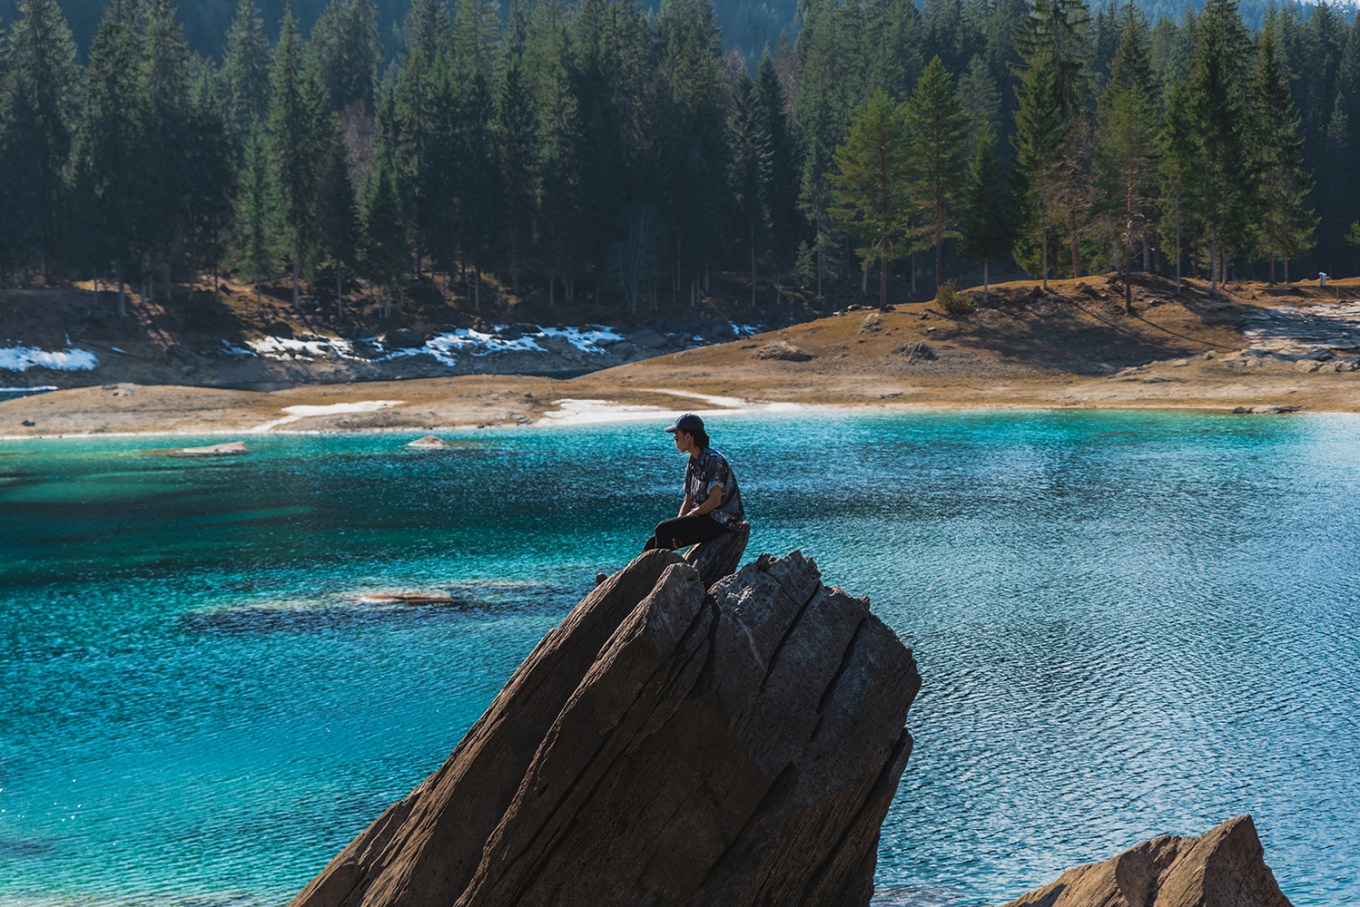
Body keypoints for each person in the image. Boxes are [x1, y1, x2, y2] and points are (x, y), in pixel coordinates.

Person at [644, 412, 744, 551]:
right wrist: (679, 523)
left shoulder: (714, 460)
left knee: (663, 528)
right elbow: (688, 500)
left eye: (676, 437)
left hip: (722, 522)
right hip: (704, 518)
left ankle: (662, 564)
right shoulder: (693, 462)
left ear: (688, 437)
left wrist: (689, 516)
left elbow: (715, 501)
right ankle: (652, 565)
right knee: (653, 541)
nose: (675, 441)